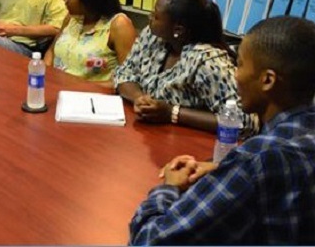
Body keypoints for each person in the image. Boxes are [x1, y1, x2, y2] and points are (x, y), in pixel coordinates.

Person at [129, 16, 315, 244]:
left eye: (240, 64)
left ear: (267, 80)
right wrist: (221, 168)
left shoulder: (254, 161)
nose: (235, 75)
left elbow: (150, 239)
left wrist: (169, 188)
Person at [114, 0, 258, 135]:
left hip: (193, 144)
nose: (149, 18)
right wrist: (139, 98)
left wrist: (173, 113)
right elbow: (125, 73)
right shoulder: (153, 37)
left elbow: (244, 122)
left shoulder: (208, 61)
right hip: (151, 135)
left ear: (178, 30)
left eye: (156, 16)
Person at [44, 0, 136, 88]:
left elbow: (127, 80)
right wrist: (44, 74)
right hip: (56, 88)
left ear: (88, 0)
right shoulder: (72, 18)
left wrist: (78, 86)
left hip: (91, 96)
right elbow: (51, 51)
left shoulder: (119, 25)